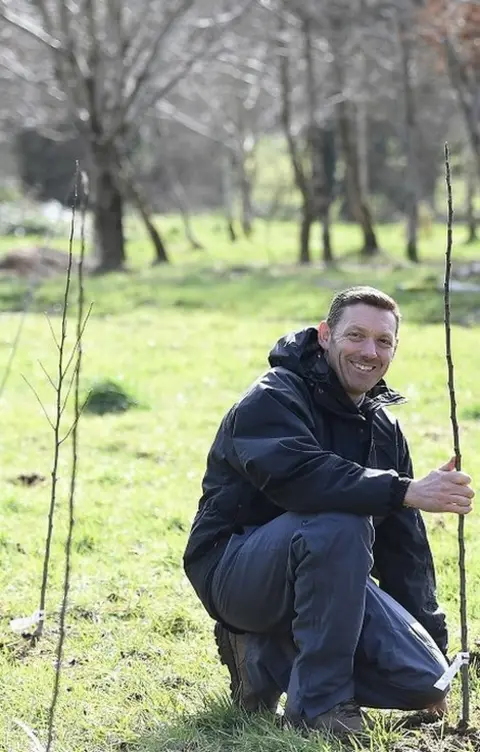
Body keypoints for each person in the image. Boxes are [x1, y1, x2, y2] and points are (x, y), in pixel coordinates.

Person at [183, 286, 474, 734]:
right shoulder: (272, 397)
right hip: (235, 570)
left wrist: (434, 644)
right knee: (340, 521)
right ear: (324, 335)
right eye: (355, 335)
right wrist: (402, 490)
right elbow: (302, 479)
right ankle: (319, 710)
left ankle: (263, 654)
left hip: (328, 574)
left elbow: (404, 549)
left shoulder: (384, 428)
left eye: (383, 341)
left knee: (427, 681)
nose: (369, 351)